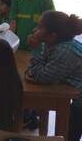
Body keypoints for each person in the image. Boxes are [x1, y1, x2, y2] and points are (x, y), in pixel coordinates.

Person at [26, 11, 82, 141]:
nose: (35, 29)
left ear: (52, 35)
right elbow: (42, 68)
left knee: (70, 134)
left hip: (79, 99)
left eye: (40, 27)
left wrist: (35, 49)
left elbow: (41, 76)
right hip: (76, 93)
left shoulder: (64, 51)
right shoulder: (54, 44)